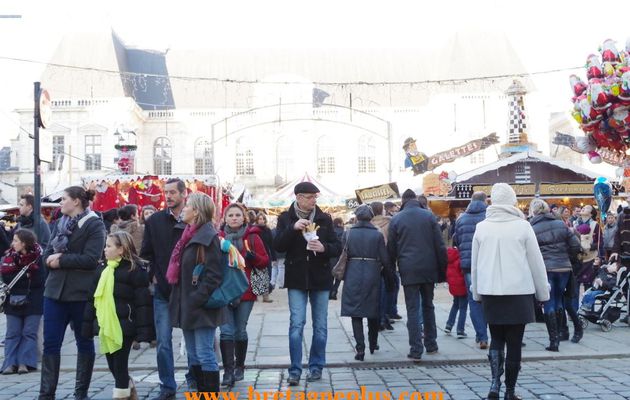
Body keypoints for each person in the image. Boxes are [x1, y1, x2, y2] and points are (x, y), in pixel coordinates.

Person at [471, 183, 549, 400]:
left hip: (490, 291)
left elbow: (475, 266)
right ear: (512, 201)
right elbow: (536, 263)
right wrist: (543, 293)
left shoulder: (482, 227)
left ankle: (494, 385)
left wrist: (476, 292)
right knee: (515, 342)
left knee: (496, 338)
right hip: (519, 291)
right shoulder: (522, 226)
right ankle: (510, 391)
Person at [39, 186, 106, 400]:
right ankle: (46, 394)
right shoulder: (59, 223)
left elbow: (91, 259)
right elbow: (46, 255)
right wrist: (52, 260)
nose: (60, 203)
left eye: (64, 199)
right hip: (54, 292)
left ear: (76, 201)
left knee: (84, 342)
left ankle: (81, 393)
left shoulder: (94, 224)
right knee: (51, 343)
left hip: (81, 293)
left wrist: (61, 260)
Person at [273, 181, 341, 386]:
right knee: (296, 324)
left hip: (320, 277)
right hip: (296, 277)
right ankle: (295, 369)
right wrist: (292, 229)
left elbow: (337, 247)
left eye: (315, 197)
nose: (314, 200)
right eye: (310, 197)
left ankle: (316, 366)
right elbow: (278, 246)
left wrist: (324, 248)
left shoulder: (324, 218)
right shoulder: (286, 218)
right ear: (299, 198)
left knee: (320, 326)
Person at [81, 231, 154, 400]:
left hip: (125, 325)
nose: (105, 249)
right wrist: (87, 326)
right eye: (105, 246)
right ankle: (128, 388)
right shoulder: (102, 269)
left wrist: (144, 331)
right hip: (106, 324)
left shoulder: (135, 269)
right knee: (112, 365)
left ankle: (121, 395)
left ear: (121, 249)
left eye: (108, 246)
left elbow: (143, 303)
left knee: (120, 365)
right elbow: (92, 298)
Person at [167, 192, 226, 393]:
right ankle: (202, 393)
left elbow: (214, 275)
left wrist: (195, 299)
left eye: (187, 206)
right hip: (188, 304)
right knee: (193, 354)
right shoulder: (188, 234)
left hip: (201, 305)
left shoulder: (208, 237)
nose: (183, 209)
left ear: (197, 212)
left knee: (204, 353)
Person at [140, 179, 188, 400]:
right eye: (165, 192)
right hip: (162, 289)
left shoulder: (193, 219)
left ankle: (195, 378)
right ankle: (167, 386)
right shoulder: (155, 221)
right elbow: (146, 253)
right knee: (163, 342)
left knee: (193, 340)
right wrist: (153, 276)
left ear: (183, 193)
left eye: (172, 192)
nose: (168, 196)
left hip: (188, 289)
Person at [388, 189, 447, 360]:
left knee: (412, 309)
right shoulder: (428, 216)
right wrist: (442, 271)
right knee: (428, 306)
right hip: (429, 268)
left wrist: (391, 271)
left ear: (403, 202)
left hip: (408, 269)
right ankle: (431, 344)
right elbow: (440, 246)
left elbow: (391, 249)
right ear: (415, 200)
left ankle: (415, 348)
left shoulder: (396, 219)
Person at [219, 204, 269, 387]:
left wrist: (252, 256)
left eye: (237, 215)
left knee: (239, 330)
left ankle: (239, 366)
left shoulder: (253, 237)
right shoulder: (219, 237)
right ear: (225, 218)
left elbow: (264, 261)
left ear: (244, 218)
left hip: (245, 291)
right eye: (230, 215)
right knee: (226, 331)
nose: (234, 218)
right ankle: (228, 371)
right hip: (224, 291)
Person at [341, 205, 394, 361]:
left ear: (357, 217)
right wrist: (389, 278)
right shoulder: (377, 235)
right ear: (371, 217)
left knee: (355, 311)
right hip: (372, 272)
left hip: (353, 272)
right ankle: (373, 342)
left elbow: (343, 253)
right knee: (373, 309)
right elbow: (385, 259)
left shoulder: (349, 233)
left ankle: (360, 349)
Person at [529, 199, 581, 352]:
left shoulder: (532, 228)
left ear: (534, 211)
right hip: (564, 268)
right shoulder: (560, 224)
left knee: (549, 302)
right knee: (559, 300)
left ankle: (554, 341)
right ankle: (560, 333)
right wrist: (566, 257)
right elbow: (576, 245)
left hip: (546, 269)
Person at [1, 229, 44, 375]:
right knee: (13, 333)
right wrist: (27, 276)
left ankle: (24, 363)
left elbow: (40, 280)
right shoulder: (8, 257)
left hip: (33, 300)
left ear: (24, 243)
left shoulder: (38, 257)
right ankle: (9, 363)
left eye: (16, 240)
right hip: (13, 300)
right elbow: (6, 278)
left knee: (29, 333)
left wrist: (26, 278)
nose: (12, 243)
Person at [452, 191, 489, 349]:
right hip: (488, 263)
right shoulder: (489, 217)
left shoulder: (462, 219)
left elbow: (457, 240)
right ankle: (485, 332)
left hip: (468, 264)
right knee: (489, 298)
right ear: (485, 201)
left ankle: (482, 336)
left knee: (474, 300)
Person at [370, 201, 400, 330]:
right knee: (389, 287)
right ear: (382, 210)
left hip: (372, 261)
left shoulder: (368, 223)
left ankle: (378, 317)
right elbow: (394, 242)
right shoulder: (390, 222)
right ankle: (386, 315)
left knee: (376, 291)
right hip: (388, 260)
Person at [444, 247, 467, 338]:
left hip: (453, 288)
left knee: (455, 305)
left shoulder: (449, 261)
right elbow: (463, 272)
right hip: (462, 287)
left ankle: (449, 325)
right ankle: (460, 330)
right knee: (463, 308)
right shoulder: (459, 260)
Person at [254, 212, 275, 303]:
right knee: (256, 275)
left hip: (266, 255)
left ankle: (266, 296)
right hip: (256, 255)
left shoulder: (267, 230)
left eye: (262, 219)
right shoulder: (253, 230)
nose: (261, 220)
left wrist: (274, 257)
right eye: (259, 219)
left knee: (267, 275)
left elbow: (271, 244)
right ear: (257, 220)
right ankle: (255, 295)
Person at [329, 217, 345, 301]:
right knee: (339, 274)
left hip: (331, 255)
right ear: (339, 224)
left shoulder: (331, 232)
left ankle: (330, 291)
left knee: (331, 274)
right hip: (340, 256)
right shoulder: (343, 232)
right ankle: (335, 290)